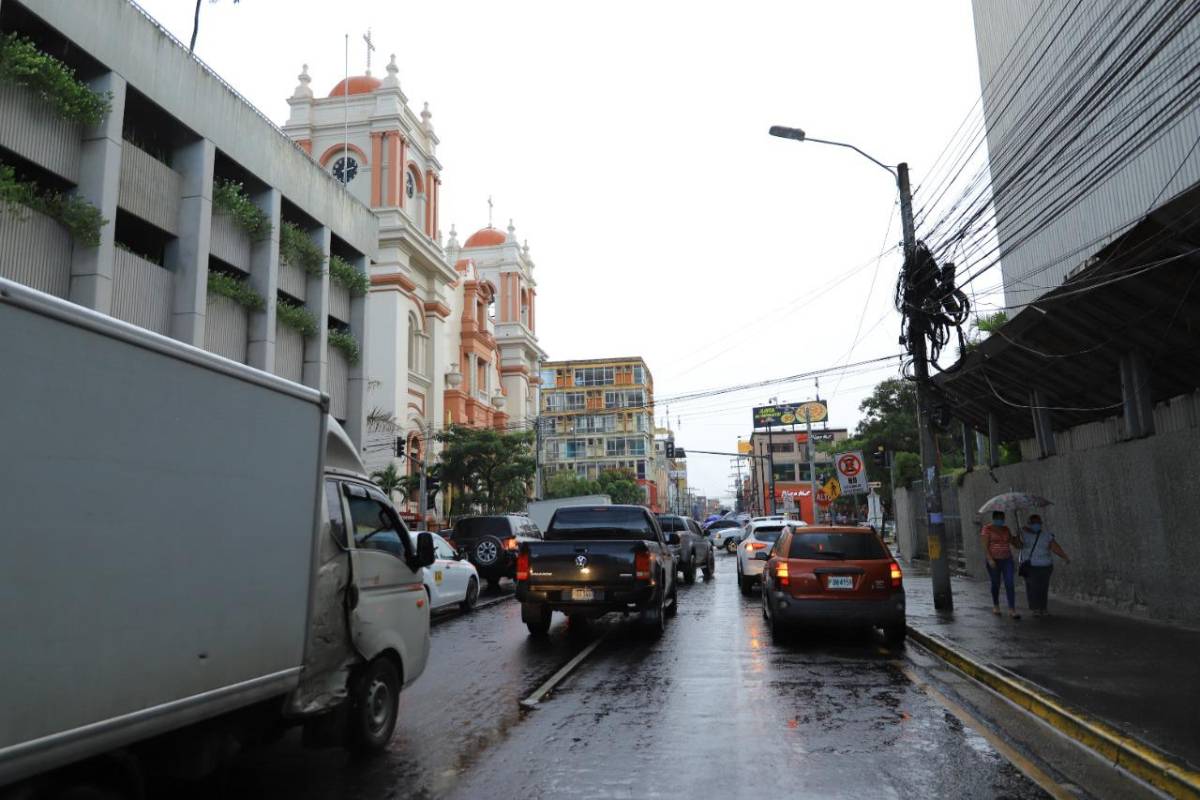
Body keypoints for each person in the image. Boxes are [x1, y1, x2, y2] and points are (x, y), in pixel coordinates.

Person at [1017, 514, 1070, 616]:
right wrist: (1018, 535)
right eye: (1034, 523)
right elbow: (1017, 545)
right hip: (1030, 567)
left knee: (1043, 588)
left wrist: (1065, 557)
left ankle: (1043, 608)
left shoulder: (1047, 535)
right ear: (1029, 524)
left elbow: (1055, 547)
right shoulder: (1022, 534)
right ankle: (1035, 608)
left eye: (1038, 523)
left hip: (1046, 567)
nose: (1036, 525)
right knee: (1033, 587)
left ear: (1041, 524)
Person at [981, 510, 1021, 619]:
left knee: (1009, 583)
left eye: (1002, 518)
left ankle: (1012, 609)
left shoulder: (1006, 529)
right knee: (996, 583)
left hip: (1007, 559)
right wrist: (990, 559)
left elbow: (1015, 544)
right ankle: (996, 605)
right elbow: (985, 546)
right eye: (998, 518)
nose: (1000, 520)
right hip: (994, 560)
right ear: (994, 518)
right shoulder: (987, 529)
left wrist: (1017, 538)